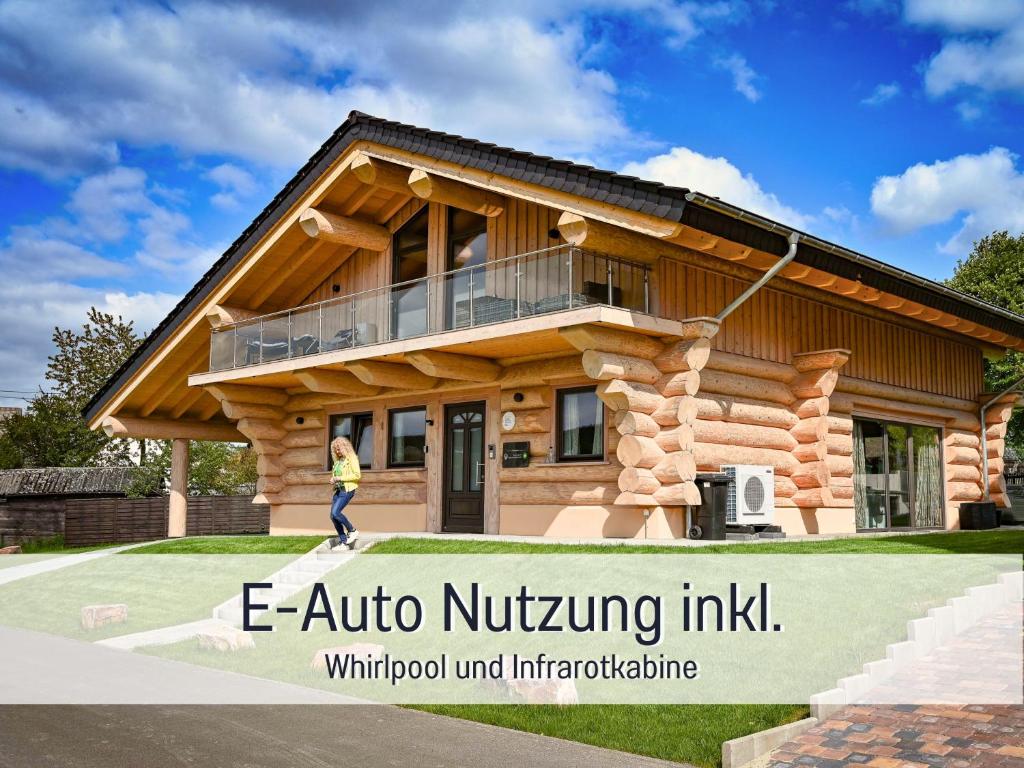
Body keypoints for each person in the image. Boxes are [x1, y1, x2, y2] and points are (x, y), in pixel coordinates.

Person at [329, 436, 361, 549]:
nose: (337, 451)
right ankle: (344, 542)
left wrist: (339, 478)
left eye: (339, 448)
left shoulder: (352, 458)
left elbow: (357, 475)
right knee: (333, 516)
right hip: (338, 490)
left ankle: (352, 530)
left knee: (335, 513)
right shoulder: (338, 461)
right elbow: (337, 475)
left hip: (347, 490)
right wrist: (333, 479)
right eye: (335, 449)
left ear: (345, 447)